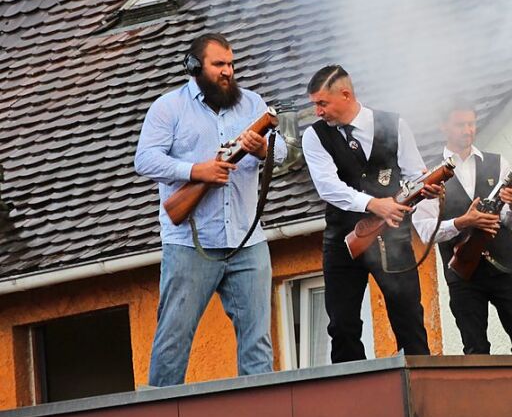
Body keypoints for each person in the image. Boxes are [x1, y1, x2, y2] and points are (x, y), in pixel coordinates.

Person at [135, 33, 286, 386]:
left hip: (246, 239)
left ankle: (262, 416)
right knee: (174, 338)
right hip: (190, 244)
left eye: (231, 64)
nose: (228, 72)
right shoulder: (168, 107)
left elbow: (283, 156)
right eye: (219, 64)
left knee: (258, 342)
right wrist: (196, 171)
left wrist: (262, 150)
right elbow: (144, 160)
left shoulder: (252, 104)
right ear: (194, 67)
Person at [302, 65, 439, 363]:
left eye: (322, 103)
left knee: (408, 315)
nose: (317, 112)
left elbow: (416, 174)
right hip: (342, 241)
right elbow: (328, 187)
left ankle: (419, 385)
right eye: (315, 104)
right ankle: (351, 392)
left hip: (393, 238)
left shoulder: (394, 124)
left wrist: (426, 190)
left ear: (346, 94)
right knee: (342, 324)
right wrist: (374, 204)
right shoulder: (314, 137)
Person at [412, 103, 512, 355]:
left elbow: (511, 221)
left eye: (471, 123)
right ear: (443, 126)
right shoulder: (430, 175)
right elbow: (426, 231)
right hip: (463, 277)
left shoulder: (497, 162)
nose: (468, 130)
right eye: (460, 124)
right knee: (475, 350)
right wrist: (463, 221)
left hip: (506, 268)